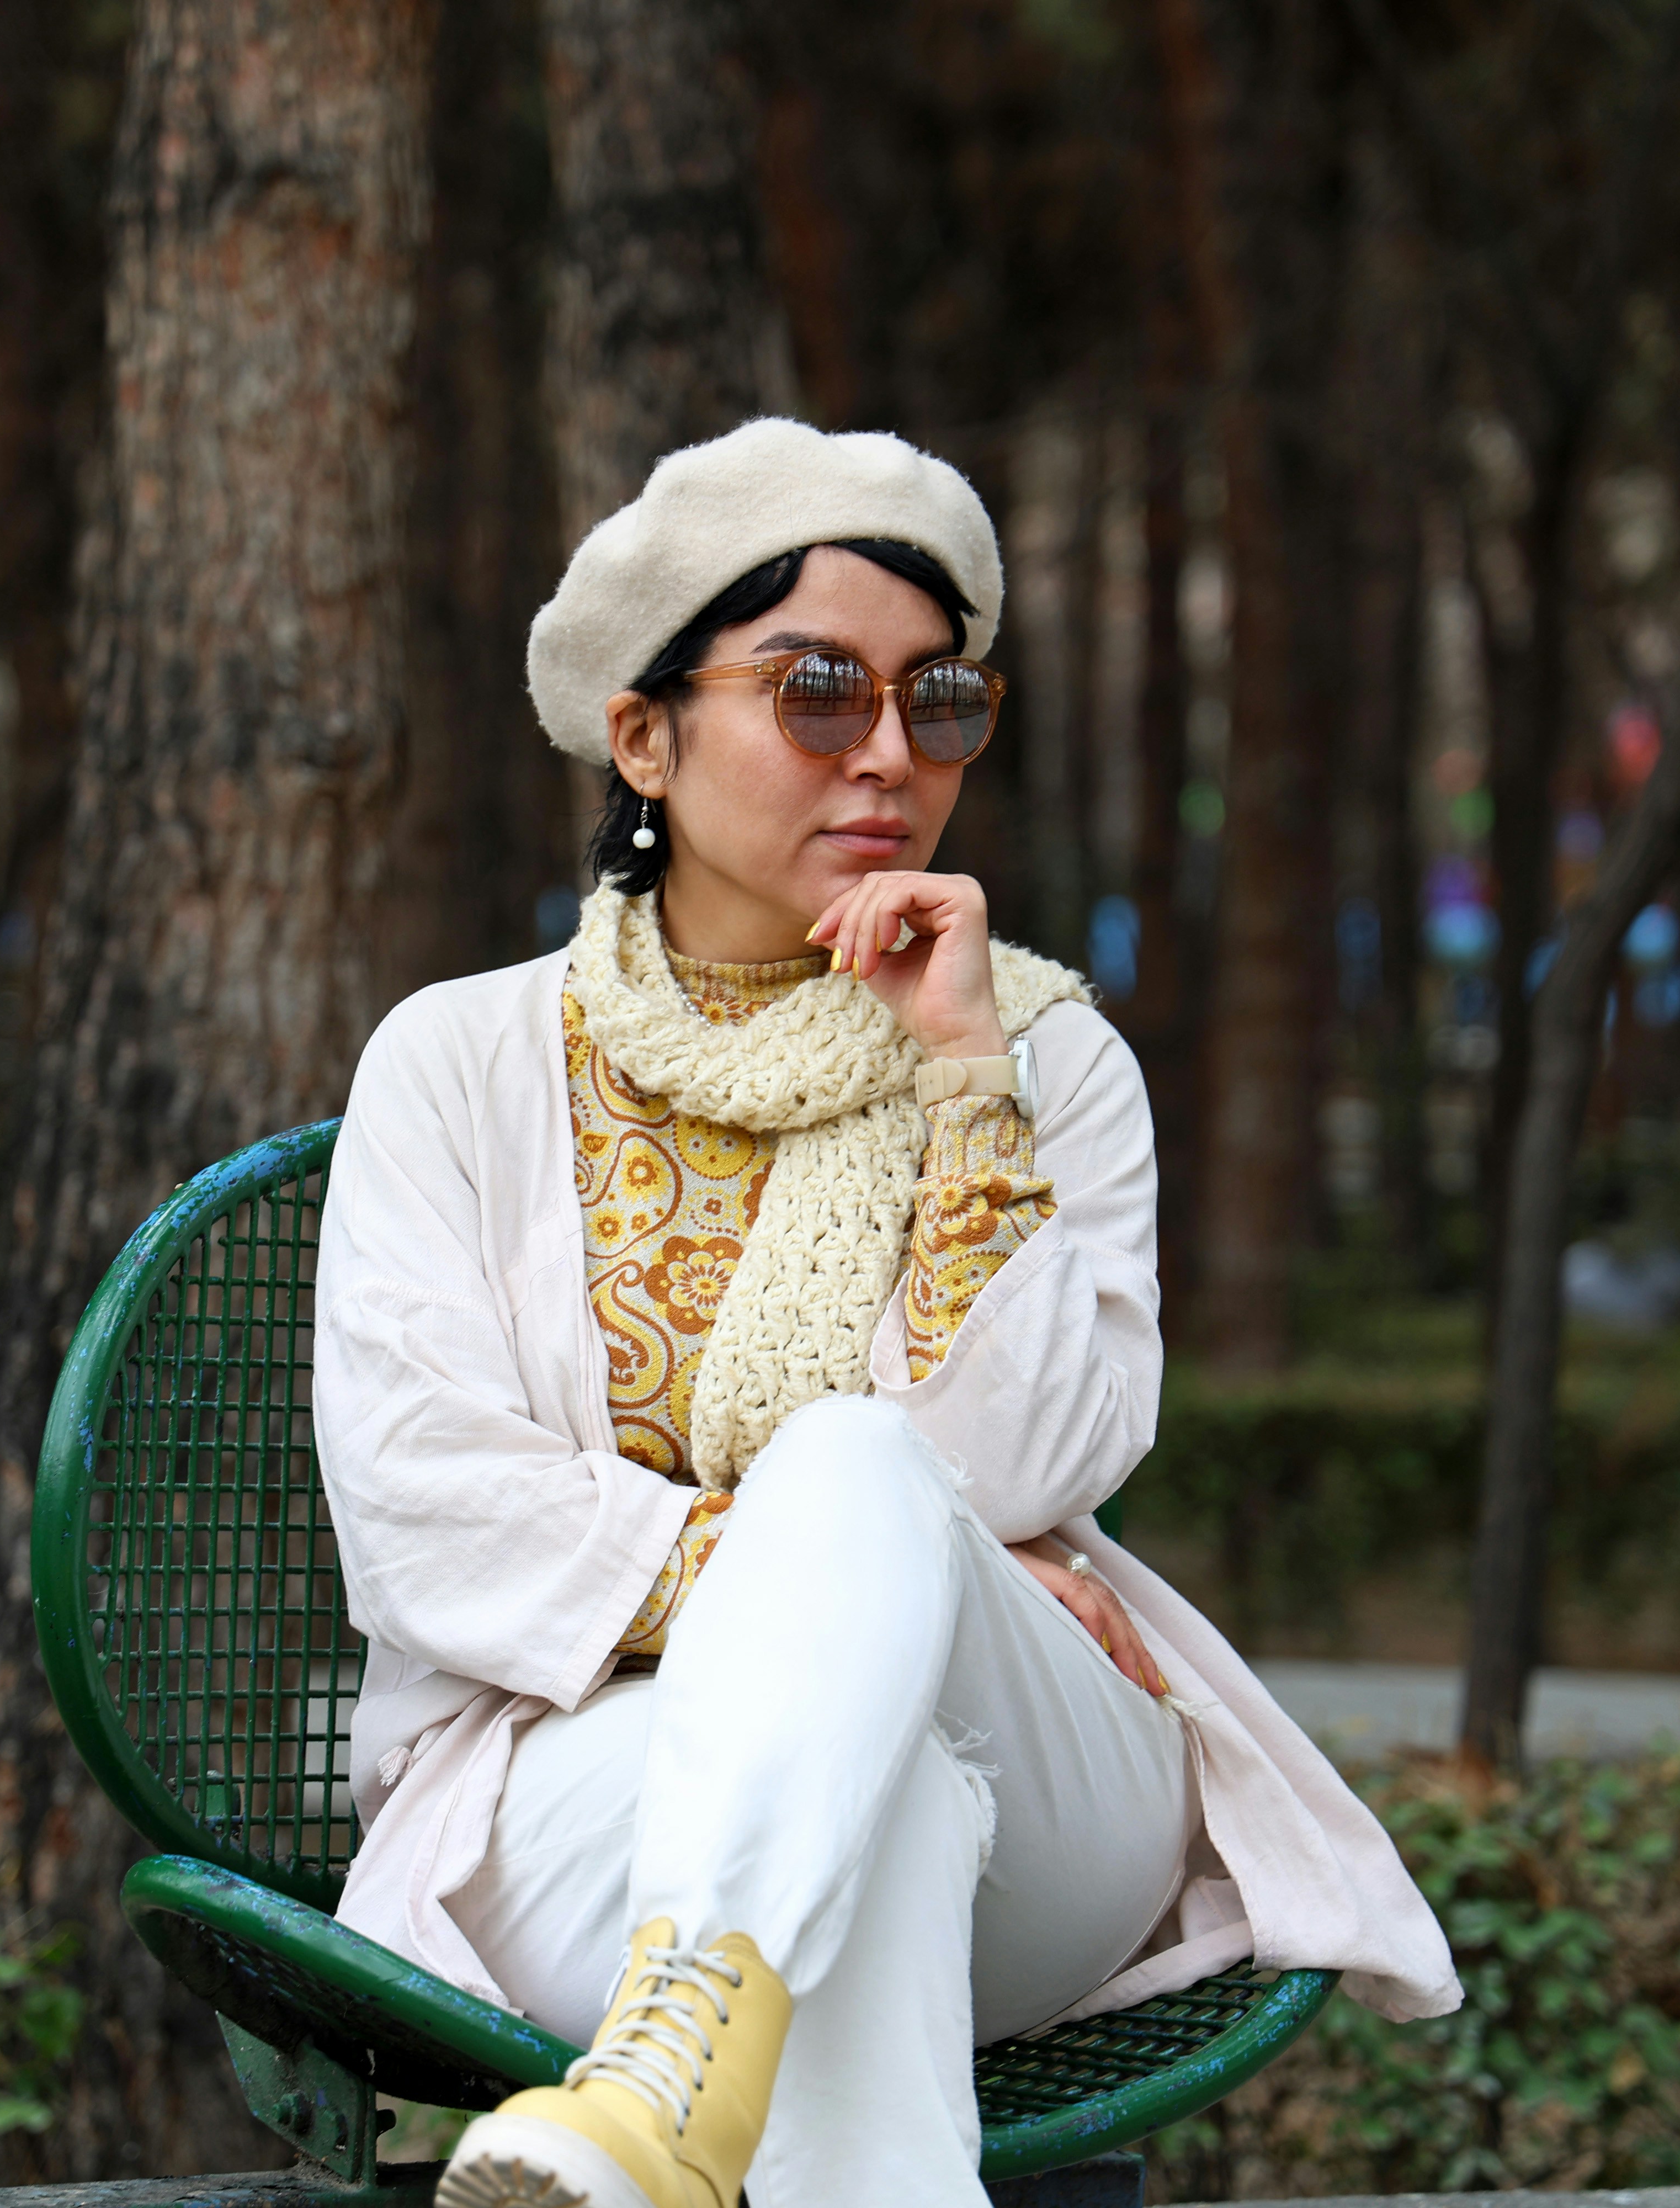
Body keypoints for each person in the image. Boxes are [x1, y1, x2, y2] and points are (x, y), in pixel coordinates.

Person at [315, 417, 1456, 2208]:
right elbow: (425, 1509)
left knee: (856, 1469)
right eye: (819, 692)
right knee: (883, 1812)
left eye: (940, 702)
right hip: (568, 1785)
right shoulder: (459, 1062)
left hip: (1049, 1788)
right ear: (643, 735)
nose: (889, 756)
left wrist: (962, 1075)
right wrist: (859, 1576)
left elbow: (1036, 1463)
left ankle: (668, 2082)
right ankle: (673, 2084)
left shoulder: (1046, 1057)